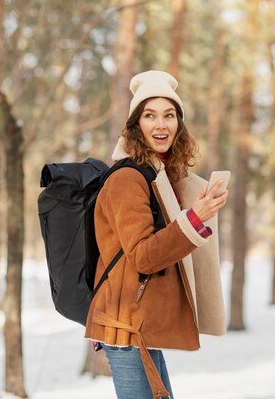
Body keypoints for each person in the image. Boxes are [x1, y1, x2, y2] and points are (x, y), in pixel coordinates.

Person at [84, 70, 228, 399]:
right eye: (150, 116)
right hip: (125, 324)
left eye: (169, 115)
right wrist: (195, 218)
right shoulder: (127, 179)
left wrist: (198, 207)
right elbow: (144, 256)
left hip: (138, 323)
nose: (161, 125)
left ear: (179, 124)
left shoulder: (157, 177)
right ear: (136, 126)